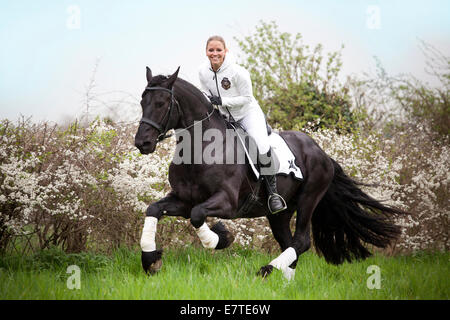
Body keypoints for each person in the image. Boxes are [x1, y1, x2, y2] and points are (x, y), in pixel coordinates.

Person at [198, 35, 286, 214]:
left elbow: (247, 99)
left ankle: (273, 194)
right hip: (224, 116)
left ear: (225, 51)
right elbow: (205, 94)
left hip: (247, 113)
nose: (215, 53)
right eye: (211, 50)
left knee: (261, 145)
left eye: (218, 50)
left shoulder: (238, 72)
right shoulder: (202, 72)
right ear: (206, 52)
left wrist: (221, 101)